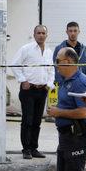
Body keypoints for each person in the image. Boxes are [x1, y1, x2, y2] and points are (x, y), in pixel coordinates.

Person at [11, 25, 54, 159]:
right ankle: (26, 149)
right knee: (27, 120)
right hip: (28, 91)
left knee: (37, 121)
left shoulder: (49, 51)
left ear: (46, 35)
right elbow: (14, 64)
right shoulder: (26, 49)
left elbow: (52, 70)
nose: (41, 35)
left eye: (43, 33)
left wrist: (49, 84)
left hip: (42, 91)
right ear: (34, 34)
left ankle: (34, 148)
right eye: (38, 33)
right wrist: (23, 80)